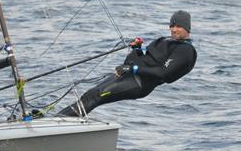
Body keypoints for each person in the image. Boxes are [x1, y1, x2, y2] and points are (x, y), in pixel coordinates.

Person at [57, 10, 197, 117]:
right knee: (90, 94)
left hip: (139, 84)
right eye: (172, 25)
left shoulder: (185, 50)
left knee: (98, 95)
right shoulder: (166, 40)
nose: (174, 29)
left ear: (187, 28)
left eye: (178, 26)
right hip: (128, 74)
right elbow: (147, 58)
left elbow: (162, 72)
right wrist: (137, 48)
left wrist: (132, 68)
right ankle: (57, 119)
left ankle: (59, 126)